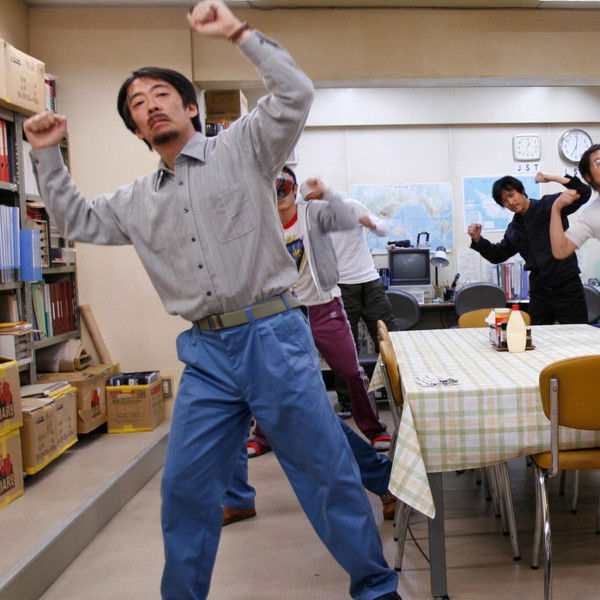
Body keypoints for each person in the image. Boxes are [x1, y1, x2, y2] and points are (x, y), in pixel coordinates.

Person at [23, 3, 401, 600]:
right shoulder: (135, 201)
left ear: (190, 108)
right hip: (205, 352)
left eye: (161, 95)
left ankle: (377, 587)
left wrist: (237, 32)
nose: (150, 105)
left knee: (323, 475)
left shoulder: (243, 149)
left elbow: (295, 93)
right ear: (137, 130)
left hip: (273, 336)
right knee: (184, 487)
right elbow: (74, 220)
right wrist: (47, 153)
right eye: (137, 104)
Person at [245, 167, 391, 457]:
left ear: (294, 191)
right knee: (273, 376)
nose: (279, 199)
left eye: (284, 192)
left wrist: (327, 194)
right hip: (285, 311)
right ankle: (264, 435)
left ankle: (374, 429)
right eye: (274, 194)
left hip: (324, 306)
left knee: (351, 371)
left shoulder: (312, 212)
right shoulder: (263, 222)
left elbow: (346, 218)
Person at [467, 172, 591, 325]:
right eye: (504, 201)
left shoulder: (549, 205)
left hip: (567, 285)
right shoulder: (513, 229)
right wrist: (478, 239)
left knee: (578, 333)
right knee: (537, 335)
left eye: (511, 195)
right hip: (540, 291)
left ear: (522, 191)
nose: (510, 202)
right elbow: (497, 255)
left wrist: (552, 178)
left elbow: (584, 192)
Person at [330, 197, 398, 419]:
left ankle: (403, 393)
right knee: (343, 347)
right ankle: (347, 403)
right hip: (339, 287)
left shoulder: (350, 205)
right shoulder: (311, 215)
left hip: (369, 282)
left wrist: (372, 224)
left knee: (390, 339)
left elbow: (383, 229)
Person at [550, 144, 600, 260]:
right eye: (599, 162)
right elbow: (560, 251)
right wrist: (556, 209)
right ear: (588, 177)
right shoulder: (591, 216)